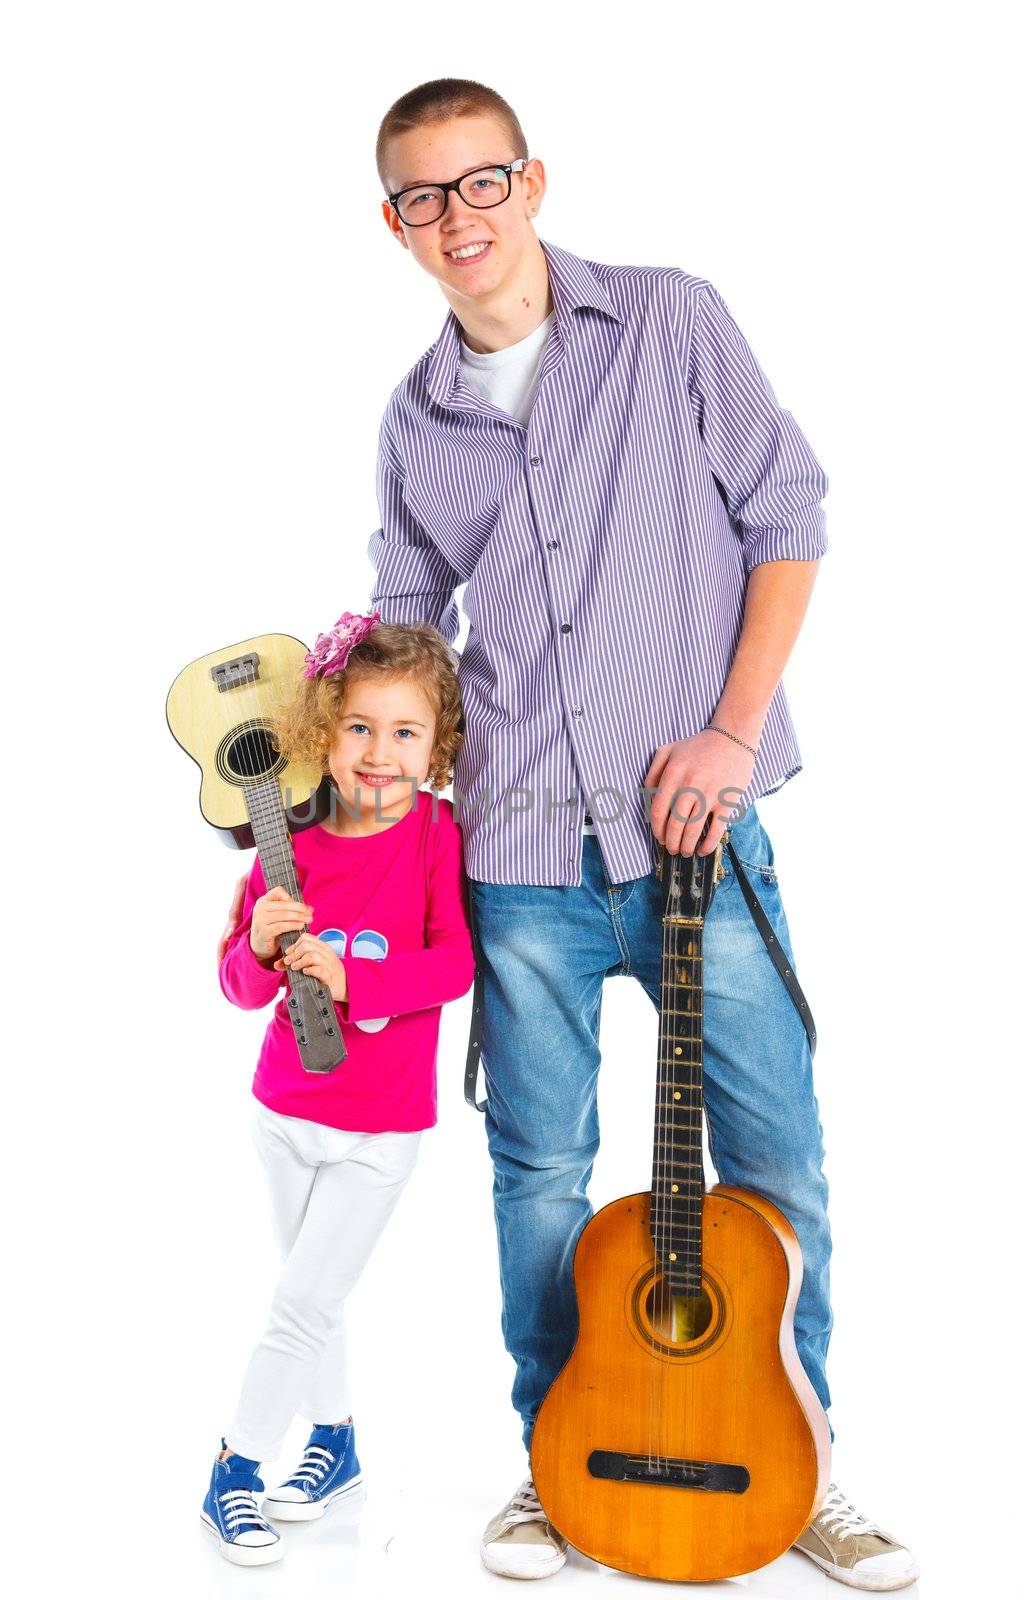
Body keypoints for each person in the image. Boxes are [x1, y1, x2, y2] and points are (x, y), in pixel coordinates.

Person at [360, 78, 920, 1591]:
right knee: (540, 1173)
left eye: (479, 183)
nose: (457, 218)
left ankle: (798, 1461)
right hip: (523, 860)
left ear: (531, 181)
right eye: (423, 198)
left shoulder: (672, 321)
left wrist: (734, 732)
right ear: (395, 226)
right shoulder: (416, 426)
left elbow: (788, 513)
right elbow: (404, 647)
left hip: (700, 841)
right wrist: (324, 808)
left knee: (774, 1161)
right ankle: (561, 1455)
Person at [201, 613, 476, 1566]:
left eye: (405, 733)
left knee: (301, 1306)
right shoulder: (290, 844)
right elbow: (237, 985)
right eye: (359, 726)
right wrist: (264, 944)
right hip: (282, 1112)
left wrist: (361, 980)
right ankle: (338, 1445)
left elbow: (451, 968)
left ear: (437, 749)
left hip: (380, 1129)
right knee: (308, 1301)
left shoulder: (437, 834)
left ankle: (235, 1468)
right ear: (325, 730)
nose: (379, 752)